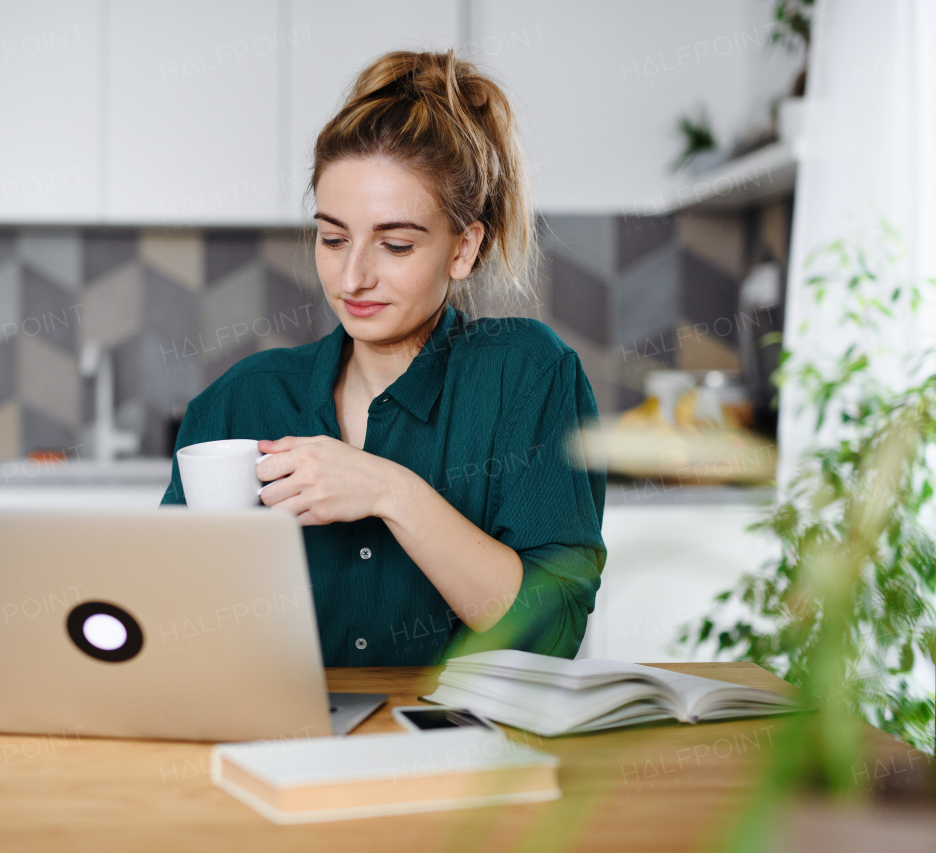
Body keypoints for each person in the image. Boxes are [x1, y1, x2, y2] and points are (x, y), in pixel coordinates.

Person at [161, 49, 606, 666]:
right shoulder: (244, 399)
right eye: (333, 237)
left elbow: (551, 637)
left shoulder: (528, 376)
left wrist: (389, 491)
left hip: (469, 748)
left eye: (395, 245)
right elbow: (169, 630)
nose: (352, 276)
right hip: (282, 751)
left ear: (463, 248)